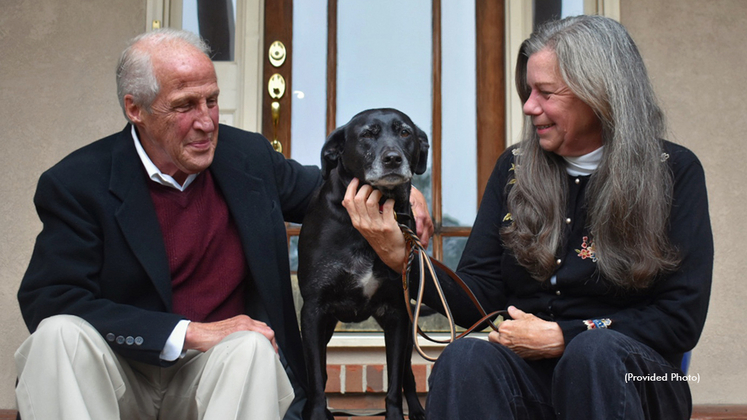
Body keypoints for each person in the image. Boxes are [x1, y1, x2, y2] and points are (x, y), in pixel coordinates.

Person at [15, 28, 433, 420]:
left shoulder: (247, 157)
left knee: (252, 345)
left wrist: (400, 191)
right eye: (184, 105)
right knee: (57, 336)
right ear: (135, 109)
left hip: (216, 378)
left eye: (211, 100)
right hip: (121, 374)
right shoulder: (77, 182)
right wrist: (187, 332)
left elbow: (324, 189)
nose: (206, 121)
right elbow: (48, 299)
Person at [344, 15, 713, 420]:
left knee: (592, 352)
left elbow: (679, 320)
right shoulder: (514, 168)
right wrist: (404, 260)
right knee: (466, 358)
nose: (529, 106)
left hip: (640, 382)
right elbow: (477, 300)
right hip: (534, 380)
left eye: (546, 92)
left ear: (600, 94)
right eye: (528, 90)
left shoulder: (674, 171)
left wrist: (563, 337)